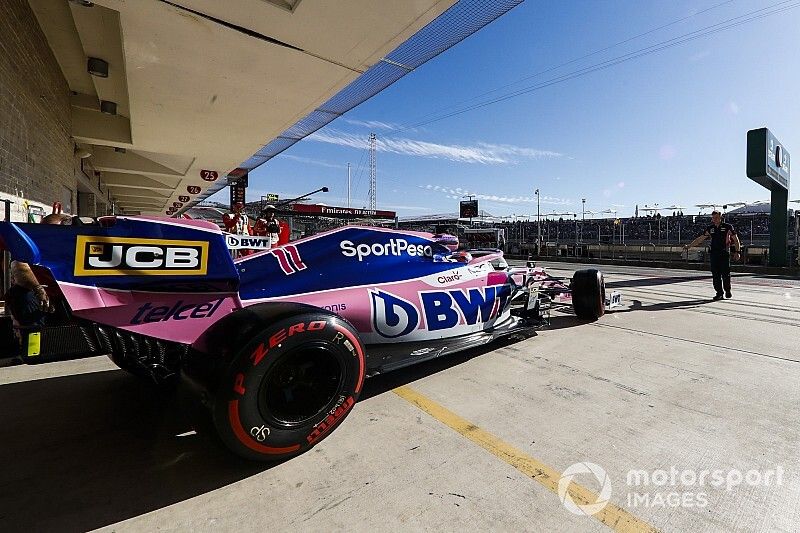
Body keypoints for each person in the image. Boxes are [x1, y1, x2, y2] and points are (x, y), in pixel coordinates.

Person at [5, 213, 71, 327]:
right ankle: (33, 341)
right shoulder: (31, 247)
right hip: (40, 298)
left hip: (67, 298)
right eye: (44, 232)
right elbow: (19, 266)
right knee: (23, 294)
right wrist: (38, 289)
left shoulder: (76, 249)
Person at [684, 210, 741, 300]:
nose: (714, 219)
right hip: (714, 254)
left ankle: (727, 290)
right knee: (715, 275)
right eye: (713, 218)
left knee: (726, 274)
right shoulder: (710, 228)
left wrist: (737, 252)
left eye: (716, 218)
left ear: (721, 217)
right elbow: (700, 239)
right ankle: (719, 293)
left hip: (724, 253)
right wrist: (690, 246)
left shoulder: (728, 227)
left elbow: (736, 239)